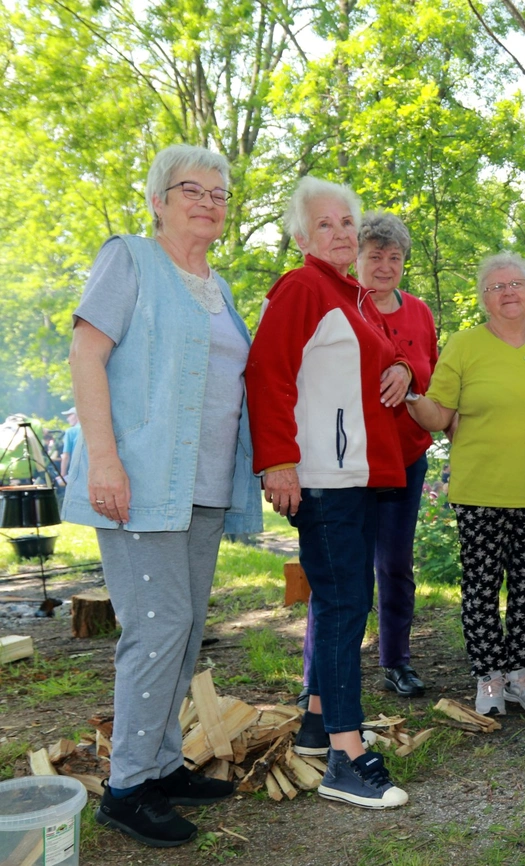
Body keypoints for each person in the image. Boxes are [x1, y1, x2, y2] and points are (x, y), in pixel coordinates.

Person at [64, 143, 262, 848]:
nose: (209, 201)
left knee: (180, 632)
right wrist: (106, 462)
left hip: (202, 489)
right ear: (157, 199)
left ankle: (162, 764)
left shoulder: (219, 285)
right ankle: (125, 788)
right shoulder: (130, 259)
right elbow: (87, 354)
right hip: (141, 483)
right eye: (192, 189)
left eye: (220, 192)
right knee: (156, 629)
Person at [246, 176, 411, 811]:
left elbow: (387, 360)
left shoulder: (354, 296)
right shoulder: (302, 288)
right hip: (322, 476)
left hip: (355, 476)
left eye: (347, 222)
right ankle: (346, 757)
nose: (341, 233)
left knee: (340, 601)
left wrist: (401, 367)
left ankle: (318, 723)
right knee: (345, 606)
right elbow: (268, 372)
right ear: (300, 237)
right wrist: (279, 461)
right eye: (326, 226)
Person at [407, 253, 525, 716]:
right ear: (484, 298)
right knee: (481, 587)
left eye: (516, 283)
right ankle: (489, 678)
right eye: (497, 286)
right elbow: (439, 414)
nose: (509, 292)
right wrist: (411, 401)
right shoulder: (463, 345)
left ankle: (521, 675)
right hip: (479, 489)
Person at [298, 212, 438, 704]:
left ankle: (395, 660)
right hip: (348, 461)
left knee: (395, 564)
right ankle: (318, 676)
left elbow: (431, 374)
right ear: (356, 257)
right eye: (374, 255)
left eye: (394, 257)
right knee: (340, 571)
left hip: (404, 459)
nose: (384, 266)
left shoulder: (419, 312)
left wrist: (410, 374)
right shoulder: (338, 304)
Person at [59, 408, 80, 485]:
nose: (67, 419)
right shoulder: (91, 430)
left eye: (69, 415)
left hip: (77, 471)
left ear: (77, 415)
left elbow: (66, 456)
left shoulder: (71, 431)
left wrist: (62, 475)